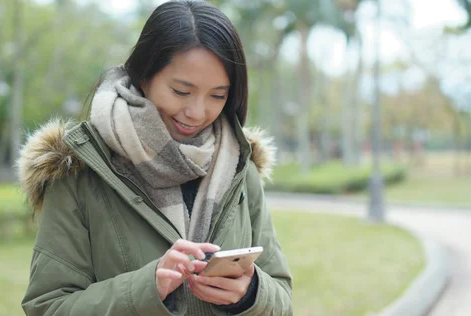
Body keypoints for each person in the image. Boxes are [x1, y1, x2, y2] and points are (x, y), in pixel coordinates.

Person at [16, 1, 292, 315]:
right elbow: (48, 307)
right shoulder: (77, 168)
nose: (197, 112)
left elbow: (282, 297)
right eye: (181, 91)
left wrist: (252, 292)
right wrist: (147, 290)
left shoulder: (241, 167)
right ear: (145, 76)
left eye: (218, 95)